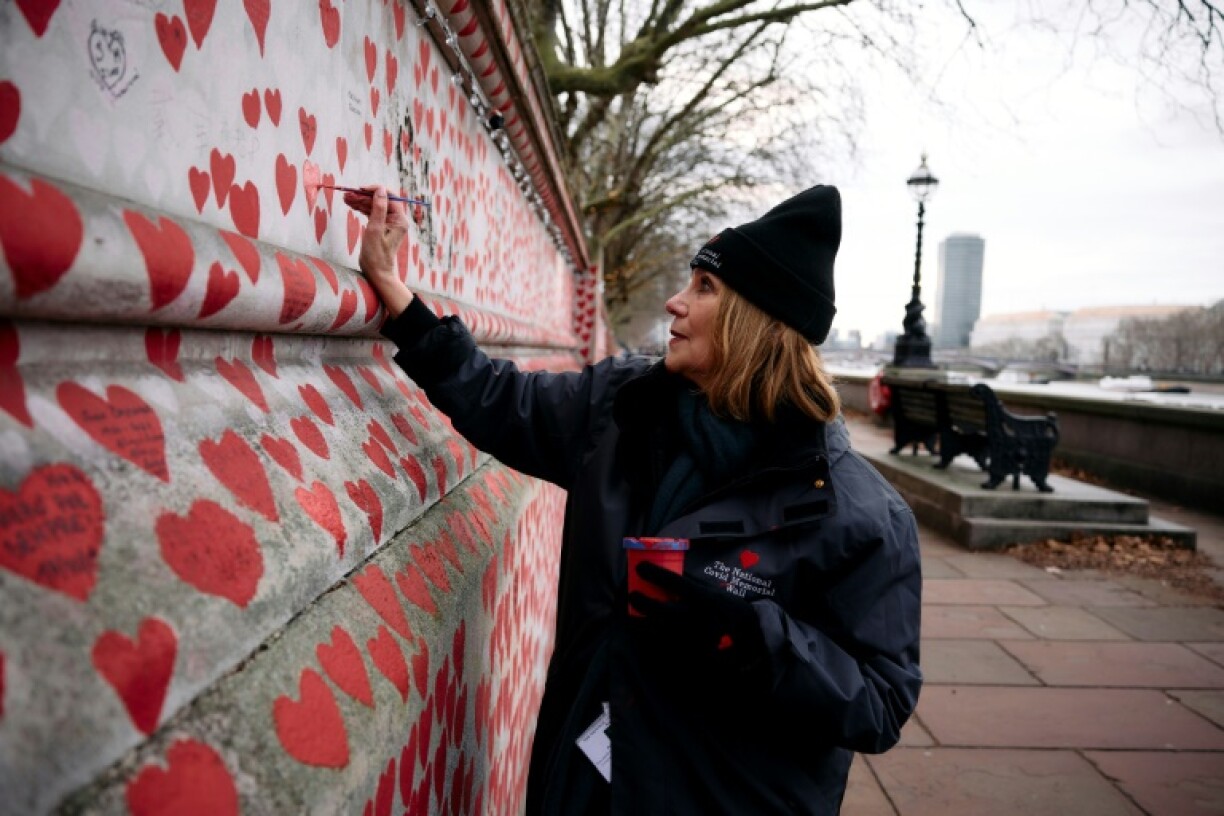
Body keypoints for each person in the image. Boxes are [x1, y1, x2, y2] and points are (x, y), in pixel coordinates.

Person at [345, 183, 922, 815]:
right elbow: (500, 401)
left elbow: (880, 704)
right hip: (586, 786)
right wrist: (392, 288)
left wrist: (740, 633)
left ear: (756, 323)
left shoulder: (863, 515)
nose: (676, 302)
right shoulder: (622, 409)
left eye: (705, 287)